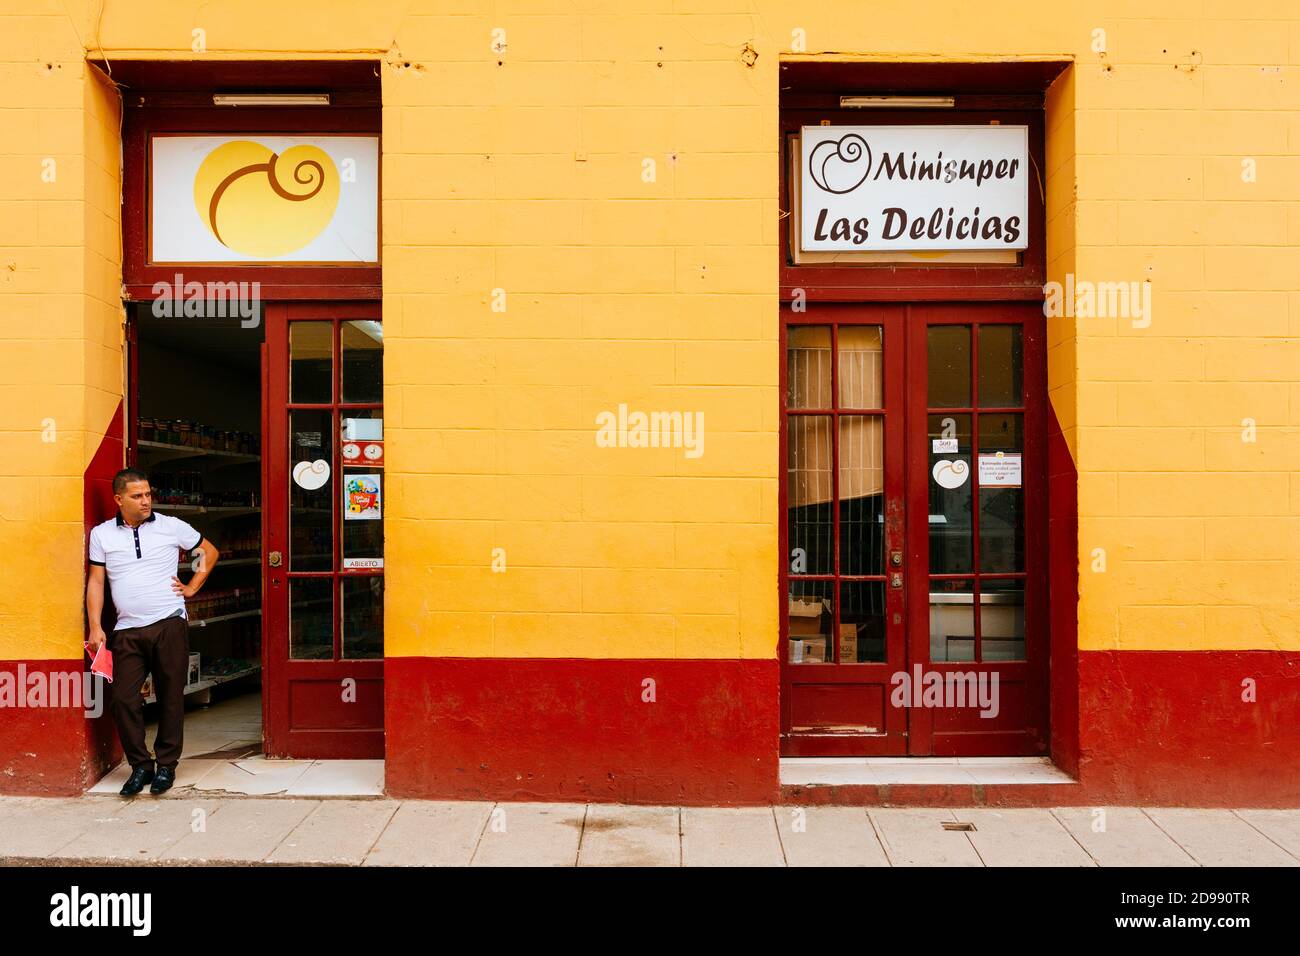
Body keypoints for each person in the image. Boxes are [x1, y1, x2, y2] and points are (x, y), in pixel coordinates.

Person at [86, 468, 220, 796]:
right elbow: (96, 581)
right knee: (123, 699)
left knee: (171, 696)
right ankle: (140, 766)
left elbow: (209, 552)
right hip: (127, 628)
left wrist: (192, 587)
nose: (145, 501)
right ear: (119, 499)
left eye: (148, 494)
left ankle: (166, 766)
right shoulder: (102, 534)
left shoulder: (171, 526)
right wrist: (95, 626)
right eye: (137, 496)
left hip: (168, 622)